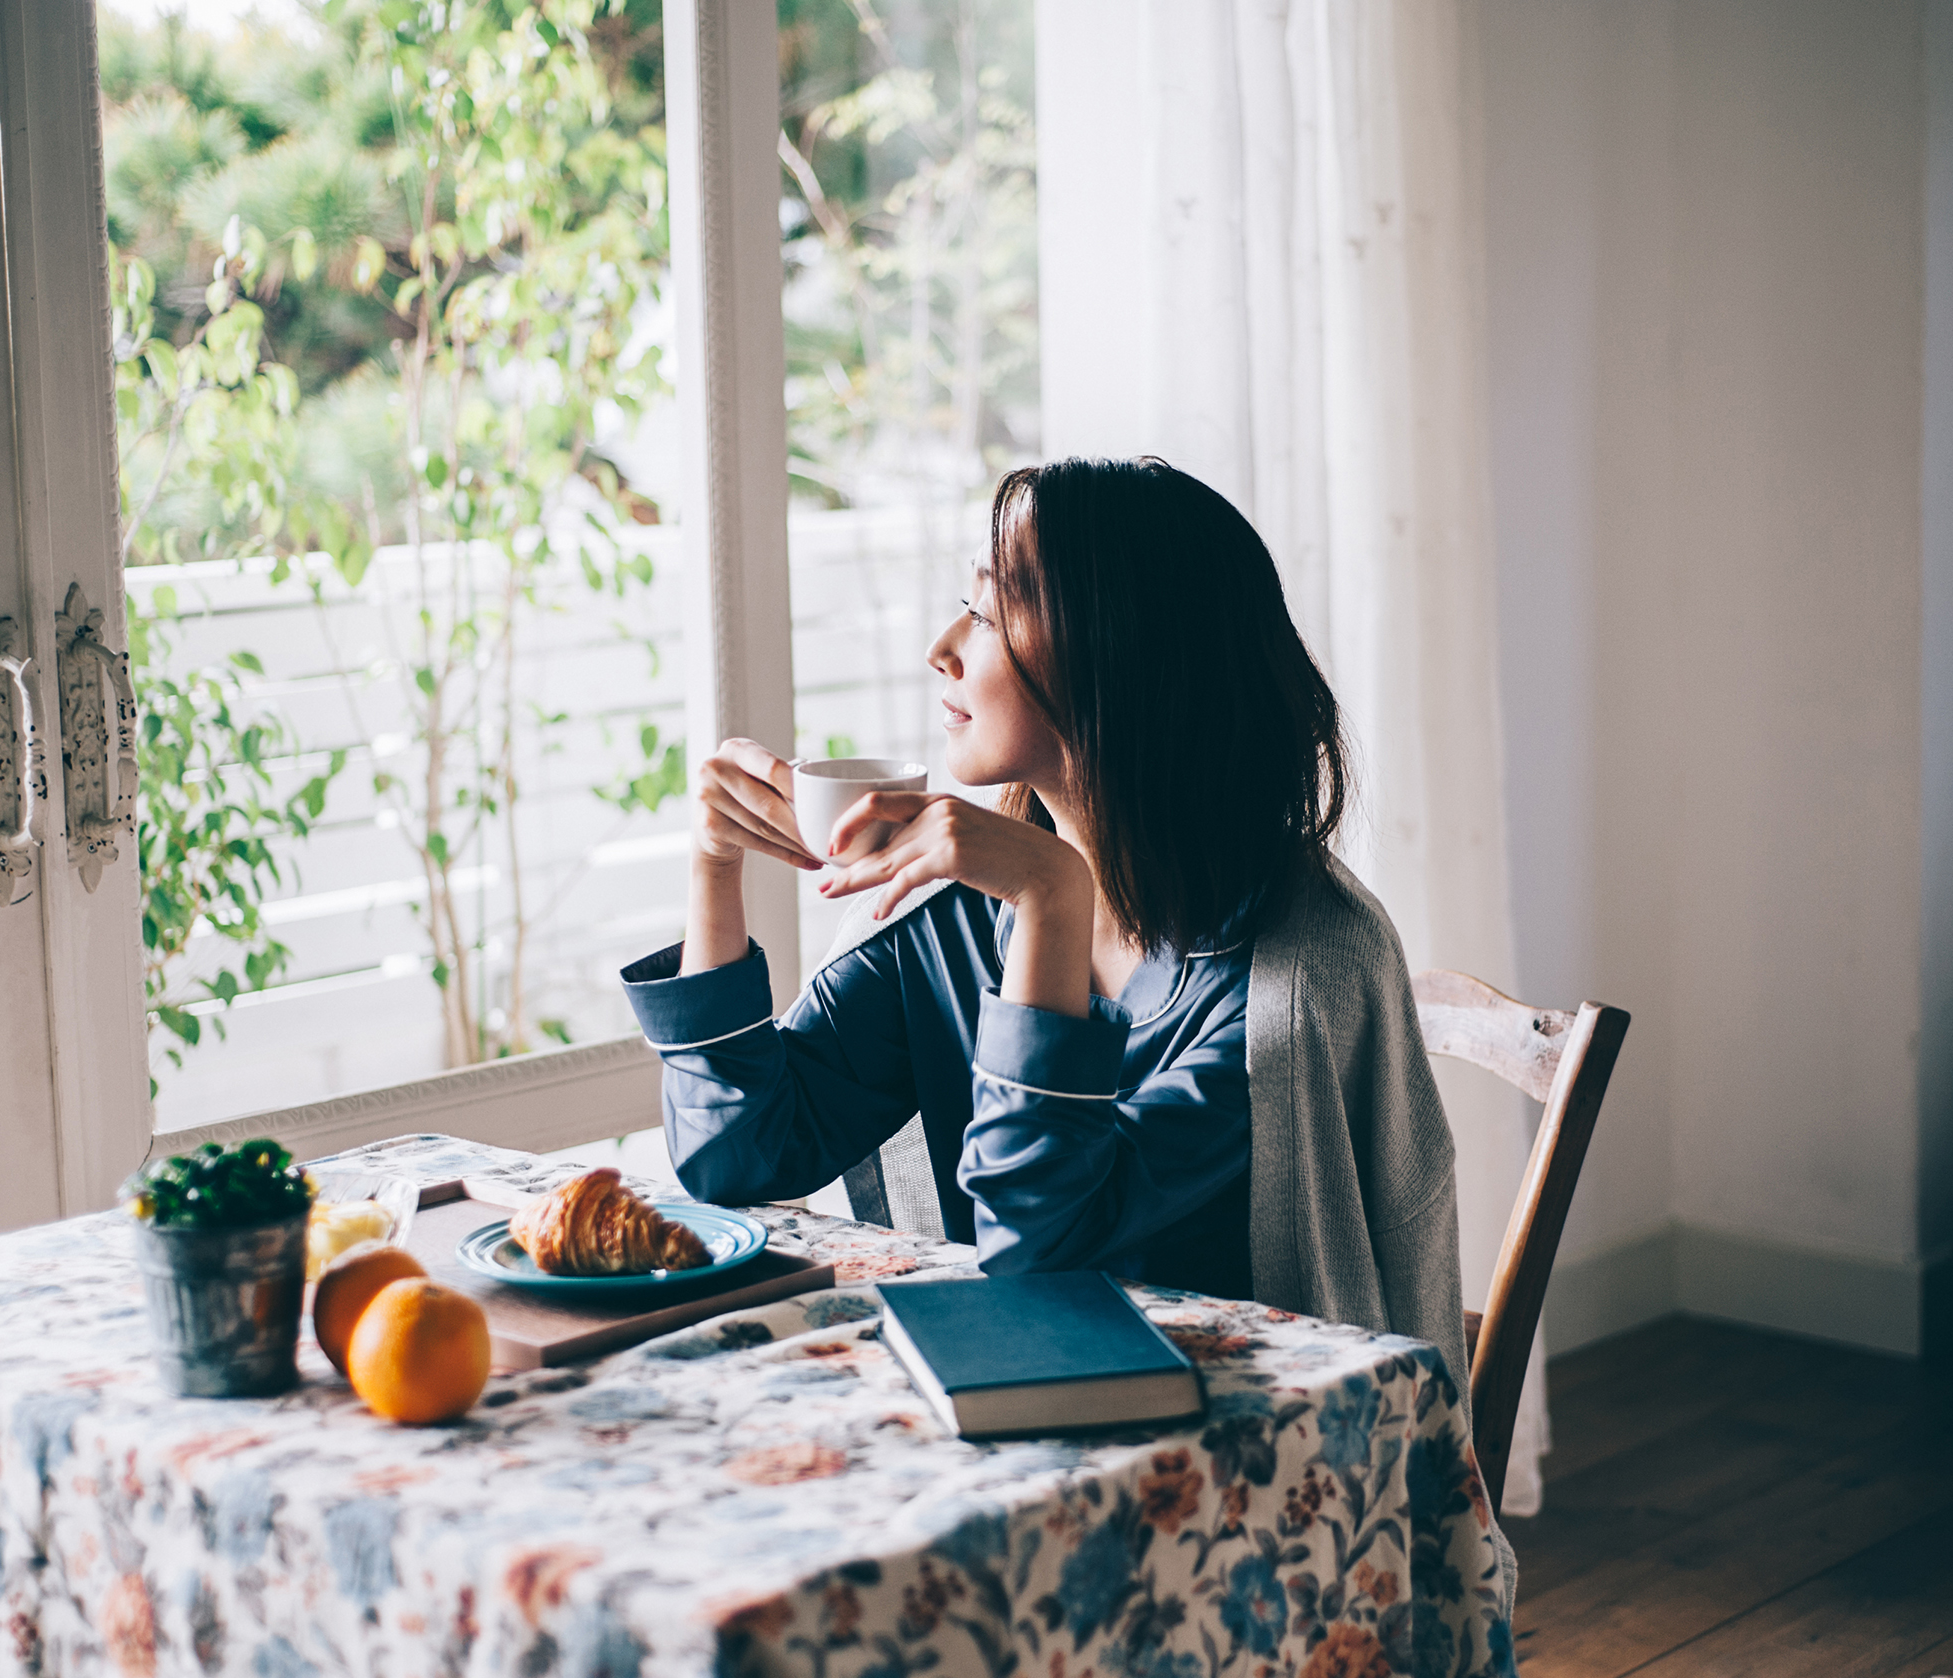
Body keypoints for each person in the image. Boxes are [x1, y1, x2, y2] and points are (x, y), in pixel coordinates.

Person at [619, 457, 1467, 1347]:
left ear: (1122, 650)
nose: (942, 646)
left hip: (1223, 1447)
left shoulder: (1285, 985)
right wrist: (714, 866)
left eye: (988, 611)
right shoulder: (947, 917)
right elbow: (738, 1153)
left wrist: (1052, 895)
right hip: (990, 1400)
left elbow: (1045, 1247)